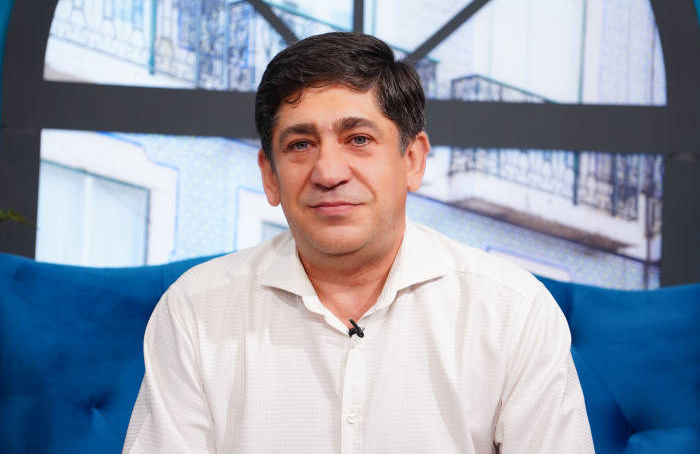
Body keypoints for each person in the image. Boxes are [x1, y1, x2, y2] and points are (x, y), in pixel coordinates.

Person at [122, 32, 594, 454]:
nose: (328, 172)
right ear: (270, 176)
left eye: (359, 139)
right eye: (300, 145)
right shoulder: (196, 310)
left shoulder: (513, 312)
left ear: (413, 160)